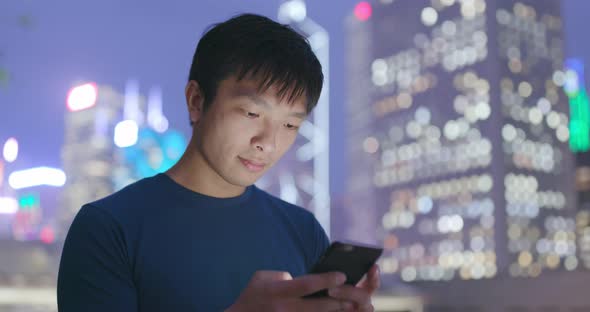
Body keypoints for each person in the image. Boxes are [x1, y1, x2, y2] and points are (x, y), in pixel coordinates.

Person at [57, 13, 380, 312]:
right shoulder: (108, 228)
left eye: (290, 125)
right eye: (252, 114)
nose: (267, 143)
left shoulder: (302, 230)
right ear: (197, 101)